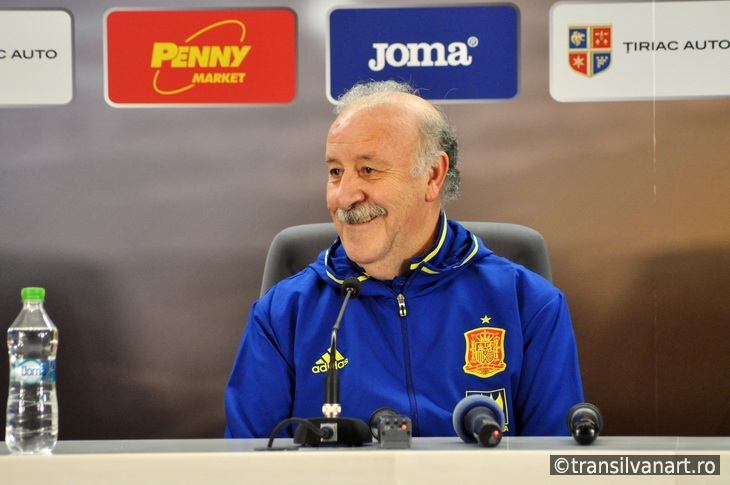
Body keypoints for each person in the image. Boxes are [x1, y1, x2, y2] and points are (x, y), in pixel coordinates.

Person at [224, 80, 583, 439]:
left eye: (368, 170)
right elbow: (243, 468)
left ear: (432, 176)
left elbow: (556, 464)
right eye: (335, 172)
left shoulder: (529, 304)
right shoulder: (282, 313)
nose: (344, 196)